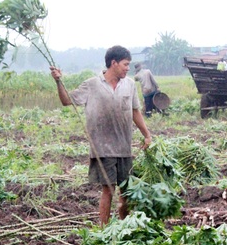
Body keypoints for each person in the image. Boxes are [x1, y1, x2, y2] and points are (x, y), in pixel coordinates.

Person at [50, 45, 152, 225]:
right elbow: (67, 100)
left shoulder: (129, 85)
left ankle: (124, 226)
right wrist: (59, 81)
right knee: (108, 189)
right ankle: (104, 229)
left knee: (126, 190)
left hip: (124, 147)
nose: (128, 68)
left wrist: (147, 134)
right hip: (102, 148)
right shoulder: (92, 84)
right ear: (114, 63)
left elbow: (135, 111)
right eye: (125, 64)